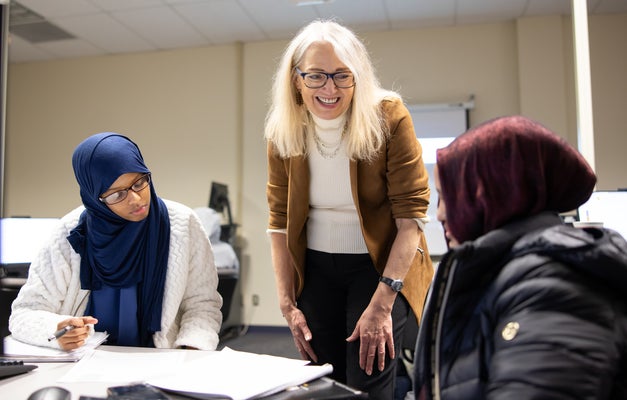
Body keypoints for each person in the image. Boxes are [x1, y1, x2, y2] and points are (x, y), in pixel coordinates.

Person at [264, 19, 434, 398]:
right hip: (316, 269)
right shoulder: (283, 131)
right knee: (323, 382)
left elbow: (411, 221)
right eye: (316, 76)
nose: (330, 88)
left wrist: (384, 302)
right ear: (296, 79)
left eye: (342, 75)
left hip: (381, 268)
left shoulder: (388, 117)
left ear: (358, 77)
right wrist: (286, 302)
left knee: (367, 377)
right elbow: (278, 222)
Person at [413, 115, 627, 399]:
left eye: (448, 196)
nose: (439, 214)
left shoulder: (553, 281)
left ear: (493, 193)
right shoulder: (502, 271)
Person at [9, 132, 223, 351]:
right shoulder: (69, 233)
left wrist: (190, 354)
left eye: (140, 182)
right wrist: (57, 330)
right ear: (95, 198)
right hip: (84, 365)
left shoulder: (184, 225)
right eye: (116, 194)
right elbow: (25, 313)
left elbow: (202, 305)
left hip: (160, 363)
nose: (136, 199)